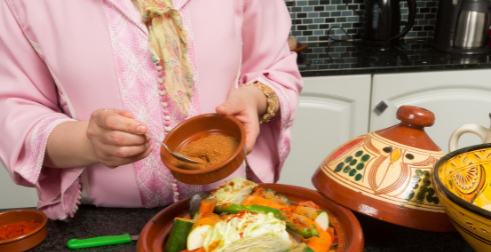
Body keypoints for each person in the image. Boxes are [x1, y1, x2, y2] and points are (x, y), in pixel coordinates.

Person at [0, 0, 302, 220]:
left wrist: (254, 98)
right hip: (104, 226)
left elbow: (276, 67)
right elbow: (12, 108)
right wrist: (87, 142)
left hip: (231, 210)